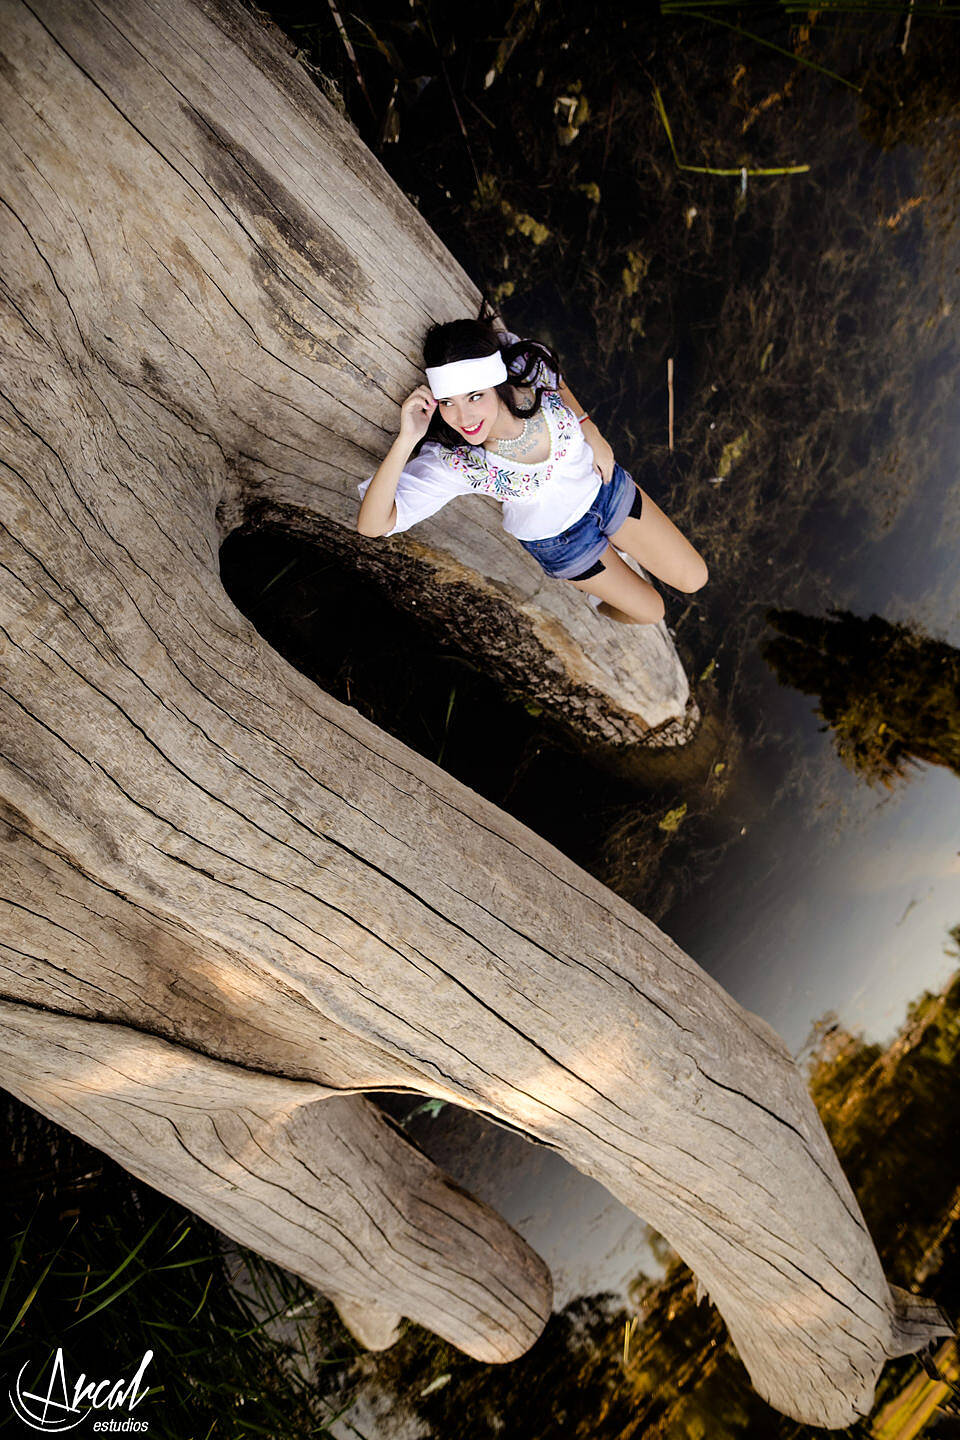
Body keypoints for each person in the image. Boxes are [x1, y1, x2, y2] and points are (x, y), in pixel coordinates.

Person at [357, 318, 707, 624]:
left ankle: (617, 548)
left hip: (603, 486)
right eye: (448, 402)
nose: (463, 418)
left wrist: (589, 427)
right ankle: (596, 595)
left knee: (695, 578)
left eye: (475, 396)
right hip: (563, 540)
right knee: (652, 612)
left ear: (496, 382)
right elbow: (372, 526)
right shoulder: (457, 462)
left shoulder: (526, 369)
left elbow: (556, 380)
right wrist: (407, 438)